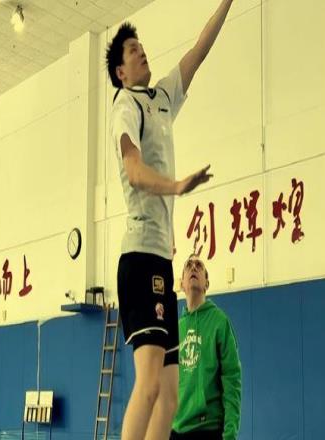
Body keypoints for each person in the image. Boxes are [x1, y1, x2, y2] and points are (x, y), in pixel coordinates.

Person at [105, 1, 234, 439]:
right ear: (121, 72)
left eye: (141, 46)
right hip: (140, 256)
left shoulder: (161, 97)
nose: (142, 52)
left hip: (161, 258)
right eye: (132, 50)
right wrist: (176, 186)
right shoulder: (125, 106)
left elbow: (199, 50)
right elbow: (134, 169)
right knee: (147, 384)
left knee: (170, 394)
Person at [171, 255, 242, 440]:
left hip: (208, 429)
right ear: (182, 284)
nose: (193, 267)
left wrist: (230, 433)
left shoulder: (219, 322)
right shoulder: (176, 329)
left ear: (207, 284)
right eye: (188, 265)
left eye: (199, 265)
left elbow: (232, 380)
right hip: (176, 430)